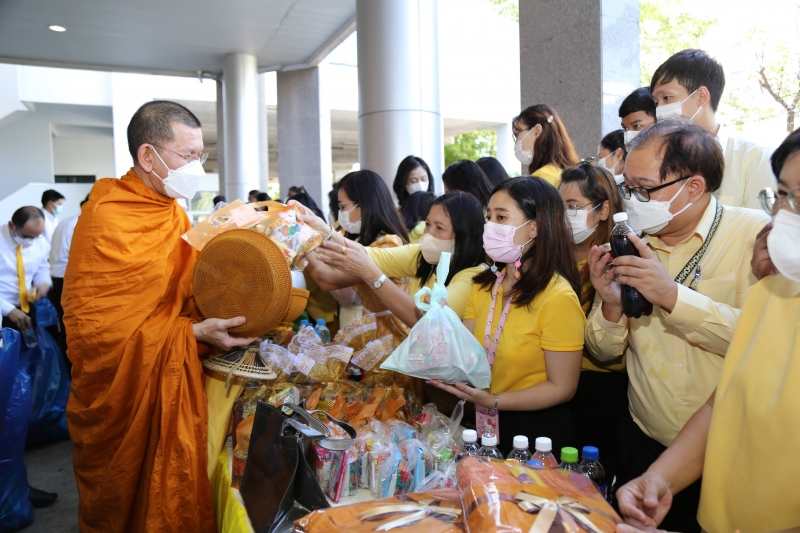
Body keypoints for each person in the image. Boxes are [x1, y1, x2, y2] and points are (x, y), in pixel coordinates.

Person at [64, 100, 257, 532]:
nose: (197, 168)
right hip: (122, 393)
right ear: (148, 156)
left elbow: (183, 291)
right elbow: (101, 338)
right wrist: (187, 335)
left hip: (167, 374)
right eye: (187, 157)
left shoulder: (174, 211)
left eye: (200, 156)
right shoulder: (105, 217)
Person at [584, 119, 770, 533]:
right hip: (644, 447)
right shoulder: (630, 242)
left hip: (732, 454)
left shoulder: (754, 238)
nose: (631, 200)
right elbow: (603, 353)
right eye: (626, 188)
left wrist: (672, 296)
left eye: (643, 189)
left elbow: (765, 345)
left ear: (694, 187)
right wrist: (610, 307)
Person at [616, 128, 800, 533]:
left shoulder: (745, 237)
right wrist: (661, 478)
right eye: (783, 197)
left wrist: (672, 295)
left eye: (799, 202)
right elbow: (727, 399)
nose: (783, 218)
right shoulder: (775, 294)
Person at [429, 177, 585, 456]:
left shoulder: (558, 297)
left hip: (538, 433)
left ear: (535, 227)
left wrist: (494, 399)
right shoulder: (484, 285)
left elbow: (562, 387)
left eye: (501, 217)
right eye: (489, 217)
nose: (490, 226)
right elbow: (469, 354)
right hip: (485, 423)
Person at [558, 162, 628, 489]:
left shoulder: (615, 262)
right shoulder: (553, 259)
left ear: (603, 211)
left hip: (599, 394)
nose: (565, 215)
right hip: (555, 389)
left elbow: (607, 348)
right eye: (561, 207)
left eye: (573, 207)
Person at [650, 49, 775, 209]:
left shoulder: (754, 158)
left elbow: (761, 229)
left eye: (667, 98)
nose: (660, 110)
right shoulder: (660, 160)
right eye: (656, 102)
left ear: (701, 96)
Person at [0, 207, 58, 509]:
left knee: (21, 382)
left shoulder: (39, 240)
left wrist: (43, 285)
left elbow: (41, 271)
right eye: (24, 236)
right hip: (3, 311)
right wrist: (6, 310)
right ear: (12, 226)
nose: (29, 242)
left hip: (24, 309)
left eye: (34, 237)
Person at [48, 195, 89, 367]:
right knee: (72, 324)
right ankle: (70, 365)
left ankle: (66, 363)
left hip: (56, 277)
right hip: (67, 279)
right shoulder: (81, 224)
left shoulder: (66, 221)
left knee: (66, 322)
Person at [512, 104, 579, 186]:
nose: (517, 140)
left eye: (517, 134)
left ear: (537, 131)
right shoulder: (568, 173)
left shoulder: (540, 178)